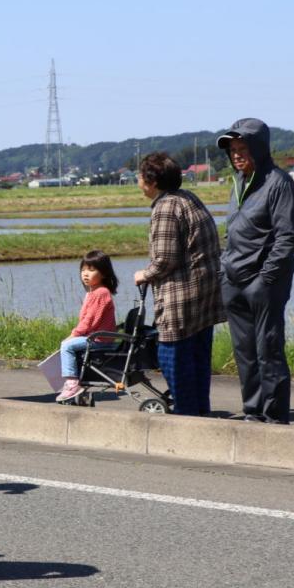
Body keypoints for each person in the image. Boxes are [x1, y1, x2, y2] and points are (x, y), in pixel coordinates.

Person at [217, 119, 294, 424]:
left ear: (259, 148)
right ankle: (253, 412)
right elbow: (233, 232)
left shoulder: (278, 183)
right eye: (233, 150)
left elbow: (287, 237)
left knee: (268, 350)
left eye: (243, 148)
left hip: (264, 283)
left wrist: (265, 279)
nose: (237, 155)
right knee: (245, 353)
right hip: (233, 280)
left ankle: (275, 417)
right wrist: (224, 271)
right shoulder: (238, 182)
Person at [130, 153, 226, 417]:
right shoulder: (189, 198)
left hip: (181, 296)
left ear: (151, 181)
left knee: (172, 357)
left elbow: (164, 260)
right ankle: (200, 411)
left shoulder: (165, 207)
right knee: (198, 359)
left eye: (140, 176)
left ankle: (186, 416)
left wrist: (143, 274)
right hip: (205, 294)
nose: (138, 181)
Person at [57, 251, 118, 403]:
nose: (85, 274)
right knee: (69, 345)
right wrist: (76, 333)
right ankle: (75, 382)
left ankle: (72, 383)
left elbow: (90, 320)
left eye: (91, 270)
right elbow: (86, 319)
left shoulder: (101, 292)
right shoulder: (92, 292)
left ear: (103, 273)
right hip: (95, 337)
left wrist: (74, 334)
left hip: (100, 339)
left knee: (67, 346)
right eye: (83, 270)